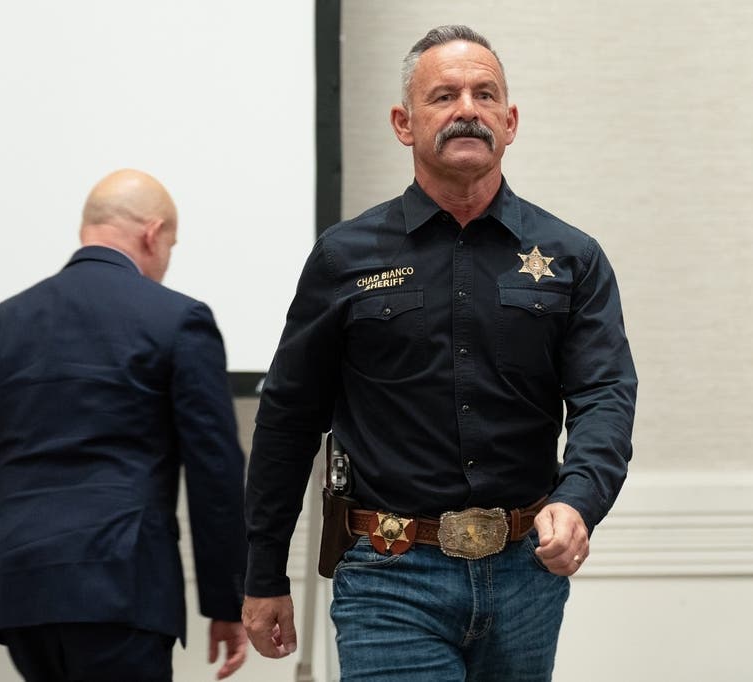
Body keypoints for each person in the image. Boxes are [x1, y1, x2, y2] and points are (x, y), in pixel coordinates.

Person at [242, 24, 637, 681]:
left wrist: (579, 498)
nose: (466, 110)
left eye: (485, 96)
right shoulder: (344, 257)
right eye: (443, 96)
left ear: (509, 123)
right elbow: (287, 418)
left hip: (524, 575)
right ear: (403, 123)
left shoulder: (571, 257)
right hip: (390, 573)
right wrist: (261, 572)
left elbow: (604, 394)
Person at [0, 169, 249, 682]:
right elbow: (216, 475)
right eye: (171, 244)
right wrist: (229, 601)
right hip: (123, 586)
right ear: (152, 232)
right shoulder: (178, 320)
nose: (166, 259)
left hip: (21, 592)